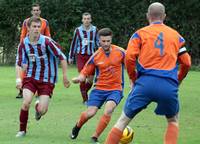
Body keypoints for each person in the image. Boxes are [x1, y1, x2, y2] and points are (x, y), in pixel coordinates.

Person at [105, 2, 191, 144]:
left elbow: (129, 57)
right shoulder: (176, 36)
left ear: (147, 16)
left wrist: (133, 78)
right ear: (164, 16)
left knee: (122, 121)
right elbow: (186, 62)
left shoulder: (139, 34)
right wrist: (178, 80)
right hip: (168, 84)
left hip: (144, 84)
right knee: (173, 120)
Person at [15, 16, 70, 137]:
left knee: (42, 110)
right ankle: (22, 130)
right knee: (26, 102)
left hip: (47, 80)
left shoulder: (46, 42)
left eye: (39, 27)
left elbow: (62, 57)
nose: (36, 29)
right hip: (31, 77)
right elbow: (19, 63)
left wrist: (65, 76)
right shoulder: (23, 44)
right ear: (28, 28)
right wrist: (18, 79)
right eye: (34, 26)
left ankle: (38, 107)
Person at [69, 28, 125, 143]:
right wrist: (78, 79)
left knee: (109, 110)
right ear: (99, 40)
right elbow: (85, 72)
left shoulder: (121, 52)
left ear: (111, 40)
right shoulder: (96, 56)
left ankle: (95, 136)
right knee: (90, 113)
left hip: (115, 89)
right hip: (99, 89)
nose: (106, 43)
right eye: (103, 41)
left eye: (108, 41)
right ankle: (77, 126)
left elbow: (131, 62)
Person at [16, 3, 51, 98]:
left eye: (37, 10)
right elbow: (22, 35)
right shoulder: (26, 22)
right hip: (28, 48)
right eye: (34, 10)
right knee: (24, 67)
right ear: (32, 12)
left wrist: (48, 48)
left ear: (40, 11)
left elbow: (48, 36)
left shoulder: (45, 22)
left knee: (40, 68)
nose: (36, 12)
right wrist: (22, 46)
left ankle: (41, 89)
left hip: (40, 50)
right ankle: (21, 90)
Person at [68, 12, 99, 104]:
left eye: (88, 18)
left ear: (91, 20)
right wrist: (70, 56)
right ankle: (85, 99)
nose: (86, 20)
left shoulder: (95, 30)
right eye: (85, 19)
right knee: (82, 77)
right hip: (81, 56)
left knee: (90, 79)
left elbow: (98, 43)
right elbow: (74, 44)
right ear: (82, 20)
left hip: (92, 56)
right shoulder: (78, 30)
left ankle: (84, 92)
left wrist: (101, 53)